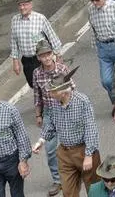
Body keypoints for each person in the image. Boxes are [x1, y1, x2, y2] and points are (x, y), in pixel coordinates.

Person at [34, 70, 102, 197]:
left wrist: (88, 155)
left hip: (83, 151)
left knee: (94, 191)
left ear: (63, 92)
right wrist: (41, 141)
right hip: (65, 153)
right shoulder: (53, 104)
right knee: (68, 192)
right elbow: (50, 126)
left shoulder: (82, 101)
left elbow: (90, 128)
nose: (50, 94)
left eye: (53, 91)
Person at [32, 40, 70, 197]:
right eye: (43, 55)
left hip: (65, 108)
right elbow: (36, 95)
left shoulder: (62, 69)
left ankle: (73, 173)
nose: (46, 58)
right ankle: (57, 180)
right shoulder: (36, 73)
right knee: (50, 148)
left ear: (52, 54)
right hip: (49, 112)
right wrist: (38, 114)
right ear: (38, 57)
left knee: (69, 144)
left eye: (48, 54)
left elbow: (72, 89)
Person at [10, 0, 61, 89]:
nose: (22, 8)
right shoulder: (14, 20)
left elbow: (52, 36)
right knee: (34, 86)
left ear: (30, 4)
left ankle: (51, 102)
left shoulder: (40, 18)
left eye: (24, 4)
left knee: (49, 84)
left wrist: (58, 55)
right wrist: (15, 61)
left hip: (42, 58)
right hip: (27, 61)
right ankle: (42, 103)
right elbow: (13, 41)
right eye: (20, 5)